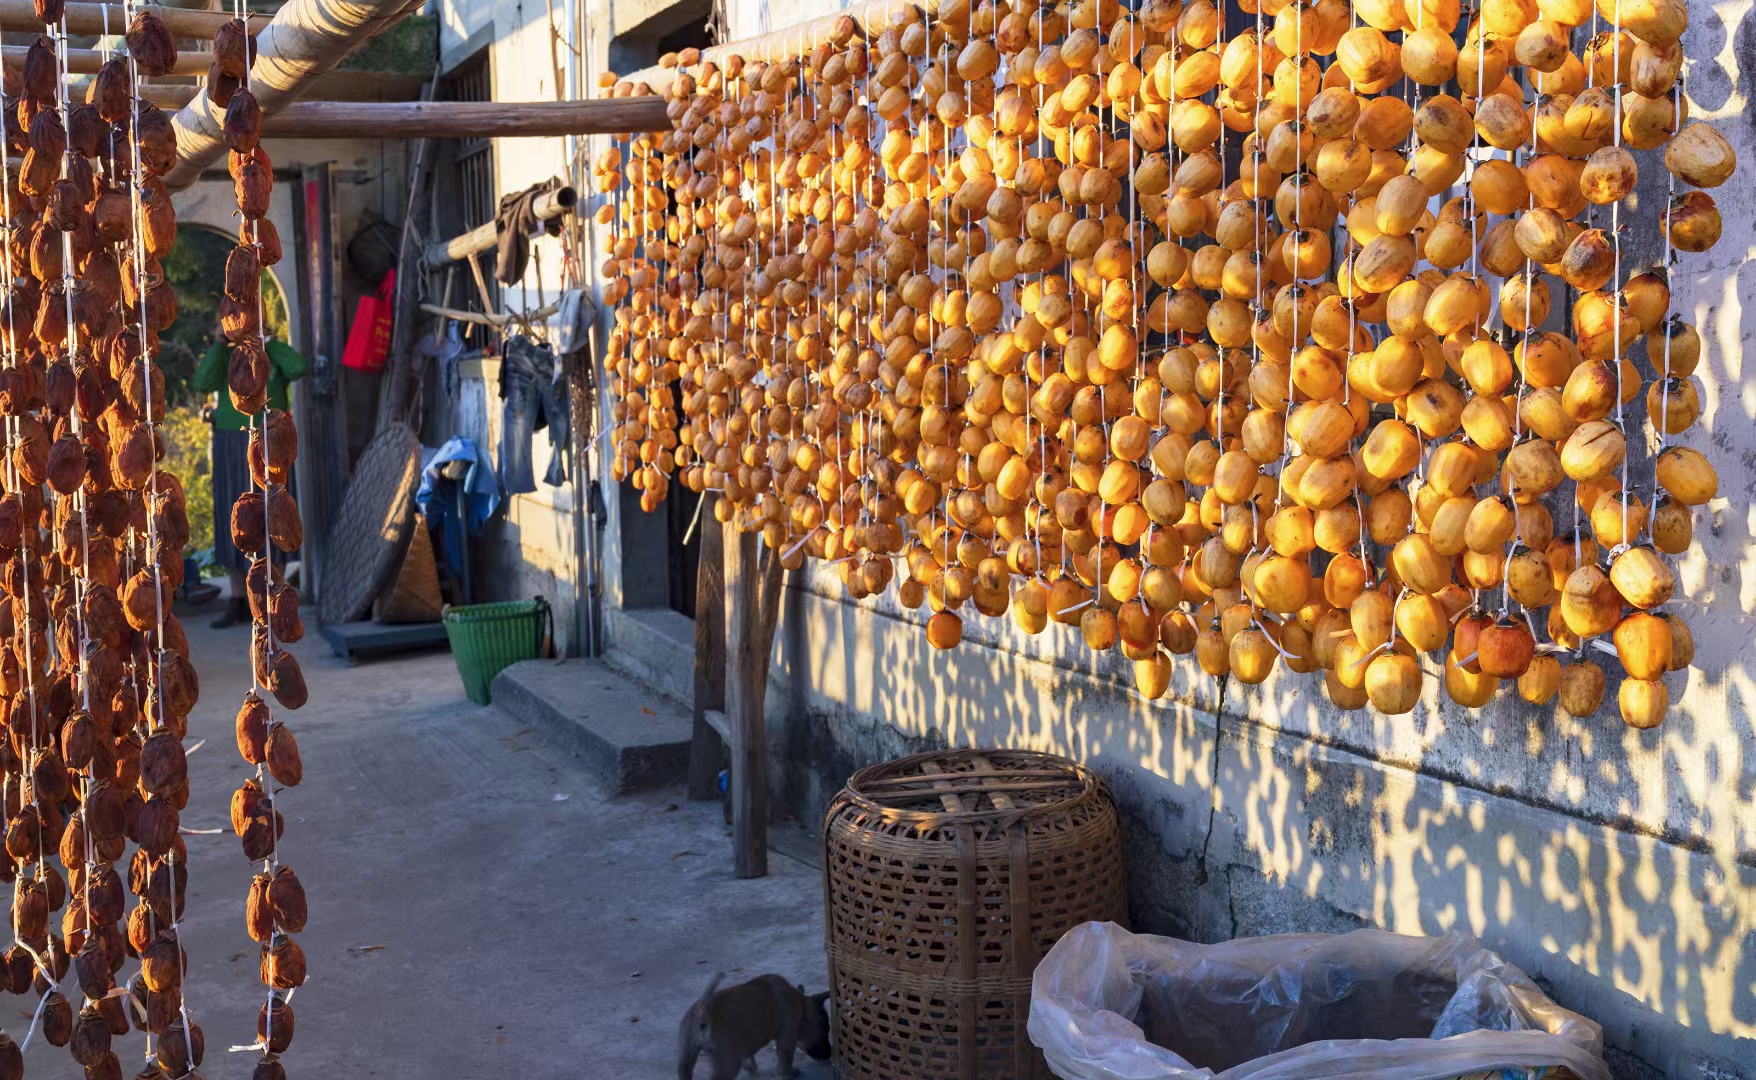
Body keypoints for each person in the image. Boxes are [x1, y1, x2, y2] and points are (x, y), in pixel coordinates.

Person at [192, 327, 309, 627]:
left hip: (272, 438)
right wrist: (220, 342)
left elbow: (299, 366)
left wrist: (268, 342)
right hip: (232, 440)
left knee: (276, 511)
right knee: (235, 513)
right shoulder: (229, 356)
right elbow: (202, 380)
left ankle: (275, 593)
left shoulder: (272, 355)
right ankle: (237, 598)